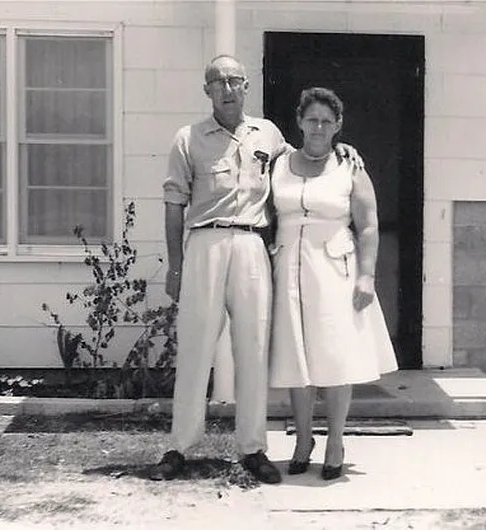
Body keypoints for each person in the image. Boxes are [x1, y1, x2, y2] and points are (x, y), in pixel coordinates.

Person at [148, 56, 361, 484]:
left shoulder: (269, 133)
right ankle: (179, 447)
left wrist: (342, 149)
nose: (227, 89)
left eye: (234, 81)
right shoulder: (188, 138)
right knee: (195, 349)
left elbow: (305, 158)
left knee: (253, 351)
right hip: (205, 242)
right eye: (217, 82)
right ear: (206, 90)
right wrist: (176, 265)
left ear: (246, 87)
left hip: (252, 244)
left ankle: (252, 448)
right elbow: (174, 205)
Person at [268, 87, 399, 480]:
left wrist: (367, 275)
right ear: (299, 121)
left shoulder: (349, 167)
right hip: (288, 266)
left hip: (334, 270)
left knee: (335, 358)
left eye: (327, 121)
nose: (319, 127)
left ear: (338, 125)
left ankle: (336, 441)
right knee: (298, 357)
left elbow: (370, 225)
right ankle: (302, 439)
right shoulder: (279, 163)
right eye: (312, 120)